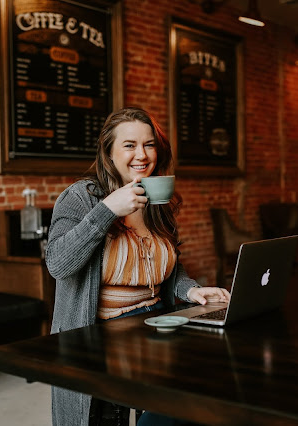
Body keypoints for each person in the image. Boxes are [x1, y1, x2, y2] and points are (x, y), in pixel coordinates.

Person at [45, 107, 231, 426]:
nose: (141, 155)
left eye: (149, 144)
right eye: (129, 145)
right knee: (176, 398)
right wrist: (107, 210)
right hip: (102, 334)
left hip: (155, 323)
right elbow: (58, 265)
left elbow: (167, 269)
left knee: (215, 376)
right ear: (109, 152)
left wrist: (193, 289)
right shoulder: (81, 197)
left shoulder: (155, 200)